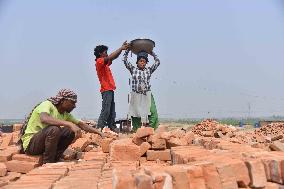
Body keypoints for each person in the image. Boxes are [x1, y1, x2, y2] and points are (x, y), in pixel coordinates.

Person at [19, 89, 104, 164]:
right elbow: (44, 118)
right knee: (54, 129)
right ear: (63, 100)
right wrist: (69, 123)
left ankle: (55, 157)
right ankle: (48, 163)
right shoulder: (47, 104)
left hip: (42, 145)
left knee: (69, 131)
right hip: (31, 145)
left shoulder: (65, 114)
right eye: (72, 102)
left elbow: (82, 125)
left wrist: (100, 133)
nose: (74, 106)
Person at [94, 41, 129, 131]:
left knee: (111, 111)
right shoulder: (99, 61)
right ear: (100, 53)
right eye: (105, 52)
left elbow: (113, 58)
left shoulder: (105, 63)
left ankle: (111, 127)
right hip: (106, 90)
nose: (107, 54)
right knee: (106, 110)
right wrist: (121, 48)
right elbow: (111, 57)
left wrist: (121, 49)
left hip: (110, 89)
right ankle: (99, 128)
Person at [123, 50, 160, 131]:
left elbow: (157, 62)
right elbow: (125, 61)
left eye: (144, 61)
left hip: (147, 94)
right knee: (136, 115)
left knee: (153, 114)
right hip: (136, 95)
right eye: (141, 61)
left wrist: (152, 53)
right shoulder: (133, 70)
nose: (142, 63)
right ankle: (138, 133)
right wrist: (127, 50)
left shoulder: (149, 70)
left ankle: (150, 130)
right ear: (137, 62)